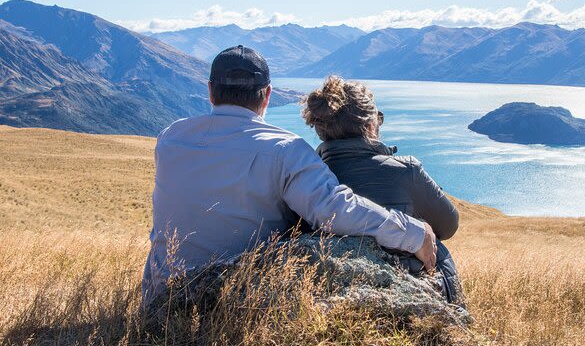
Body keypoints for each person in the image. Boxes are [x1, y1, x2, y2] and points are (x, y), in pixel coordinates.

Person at [141, 46, 437, 305]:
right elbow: (334, 210)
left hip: (160, 300)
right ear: (267, 95)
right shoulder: (284, 149)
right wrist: (413, 233)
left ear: (210, 91)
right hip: (235, 305)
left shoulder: (170, 138)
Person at [301, 76, 463, 304]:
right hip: (411, 292)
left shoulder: (306, 177)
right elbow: (448, 225)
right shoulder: (406, 171)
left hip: (326, 294)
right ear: (370, 125)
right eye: (379, 118)